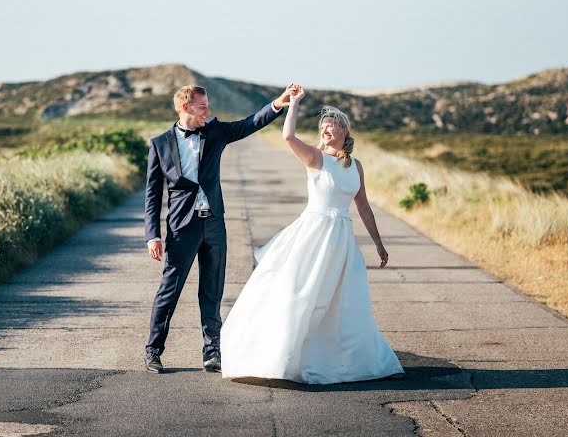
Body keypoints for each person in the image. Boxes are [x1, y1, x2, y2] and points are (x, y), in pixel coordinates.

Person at [221, 85, 404, 384]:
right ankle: (285, 357)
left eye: (332, 124)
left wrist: (379, 244)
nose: (326, 128)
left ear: (344, 130)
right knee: (303, 295)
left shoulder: (355, 166)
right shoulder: (316, 159)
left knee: (343, 301)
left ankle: (343, 359)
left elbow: (364, 207)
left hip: (342, 239)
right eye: (323, 126)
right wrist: (293, 103)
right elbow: (288, 137)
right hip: (314, 236)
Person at [144, 84, 294, 374]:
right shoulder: (159, 144)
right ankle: (153, 351)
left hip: (214, 224)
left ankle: (212, 352)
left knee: (212, 291)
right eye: (203, 107)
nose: (208, 111)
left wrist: (278, 103)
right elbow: (152, 195)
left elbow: (249, 124)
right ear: (186, 108)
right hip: (181, 228)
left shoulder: (215, 132)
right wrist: (153, 235)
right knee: (169, 290)